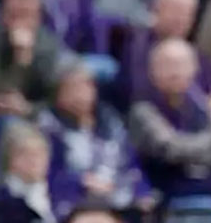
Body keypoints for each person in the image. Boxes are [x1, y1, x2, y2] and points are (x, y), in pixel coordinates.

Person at [128, 39, 211, 208]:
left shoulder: (203, 107)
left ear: (194, 69)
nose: (175, 72)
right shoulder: (143, 111)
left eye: (181, 64)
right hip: (170, 200)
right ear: (152, 71)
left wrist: (206, 142)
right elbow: (170, 149)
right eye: (167, 65)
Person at [39, 61, 144, 219]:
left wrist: (140, 191)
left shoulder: (111, 122)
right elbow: (48, 172)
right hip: (73, 204)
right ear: (59, 94)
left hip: (115, 199)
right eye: (72, 89)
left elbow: (130, 165)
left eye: (85, 87)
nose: (80, 95)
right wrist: (82, 182)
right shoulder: (48, 126)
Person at [115, 0, 200, 109]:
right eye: (176, 10)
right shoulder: (138, 43)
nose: (181, 19)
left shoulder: (191, 46)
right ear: (157, 9)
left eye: (188, 13)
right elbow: (137, 93)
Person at [0, 122, 58, 223]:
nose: (34, 161)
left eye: (39, 153)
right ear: (9, 159)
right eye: (25, 154)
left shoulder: (61, 193)